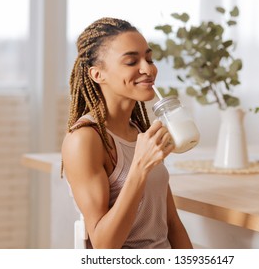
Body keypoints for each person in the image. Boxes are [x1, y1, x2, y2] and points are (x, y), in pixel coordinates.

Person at [61, 17, 193, 249]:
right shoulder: (84, 139)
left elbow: (171, 223)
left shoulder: (139, 131)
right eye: (132, 61)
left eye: (149, 58)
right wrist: (140, 168)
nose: (148, 69)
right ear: (97, 75)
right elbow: (103, 246)